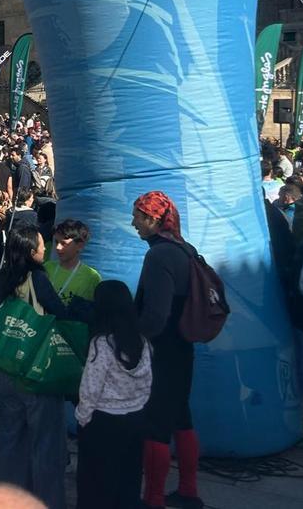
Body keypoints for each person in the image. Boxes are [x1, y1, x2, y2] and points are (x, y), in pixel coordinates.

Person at [0, 223, 88, 509]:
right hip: (36, 370)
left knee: (10, 439)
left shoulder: (1, 277)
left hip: (6, 368)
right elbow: (60, 313)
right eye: (43, 245)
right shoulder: (37, 279)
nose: (46, 250)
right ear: (32, 251)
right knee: (46, 444)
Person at [132, 191, 201, 509]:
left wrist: (133, 340)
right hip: (183, 347)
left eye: (137, 216)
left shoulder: (159, 256)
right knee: (181, 418)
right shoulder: (187, 250)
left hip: (162, 352)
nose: (133, 223)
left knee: (156, 425)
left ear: (152, 219)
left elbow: (155, 316)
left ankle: (154, 498)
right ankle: (188, 490)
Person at [75, 280, 152, 509]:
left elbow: (90, 388)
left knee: (96, 483)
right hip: (135, 419)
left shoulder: (102, 345)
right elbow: (148, 382)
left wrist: (82, 417)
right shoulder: (142, 342)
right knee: (128, 478)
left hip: (103, 421)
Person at [43, 218, 100, 305]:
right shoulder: (47, 267)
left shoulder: (91, 277)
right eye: (56, 242)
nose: (58, 247)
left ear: (79, 246)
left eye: (64, 243)